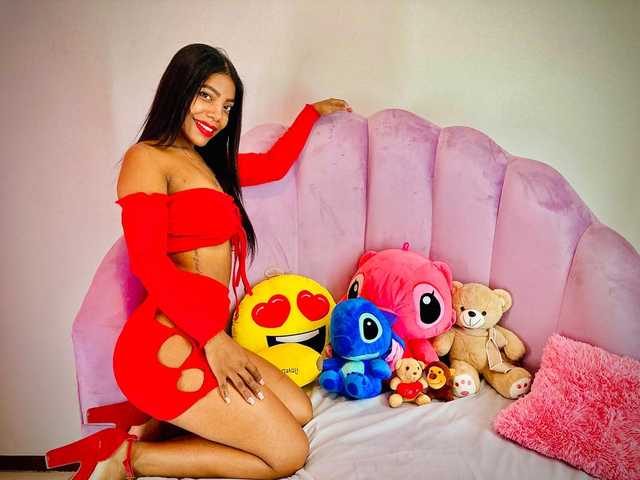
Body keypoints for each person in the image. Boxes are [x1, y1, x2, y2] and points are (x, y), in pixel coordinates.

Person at [46, 43, 351, 479]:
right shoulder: (146, 158)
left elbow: (273, 165)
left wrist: (310, 113)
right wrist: (215, 340)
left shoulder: (209, 164)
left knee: (301, 408)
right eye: (206, 95)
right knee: (289, 454)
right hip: (167, 342)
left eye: (227, 106)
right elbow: (148, 262)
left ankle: (156, 426)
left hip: (202, 334)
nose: (217, 114)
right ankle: (130, 456)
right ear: (178, 89)